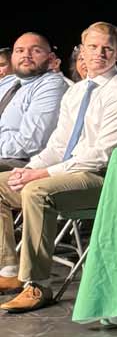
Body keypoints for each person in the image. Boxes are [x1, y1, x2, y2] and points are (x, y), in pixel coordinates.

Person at [0, 21, 117, 313]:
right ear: (82, 50)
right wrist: (28, 169)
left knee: (38, 191)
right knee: (4, 183)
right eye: (93, 46)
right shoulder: (77, 92)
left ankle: (38, 284)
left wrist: (41, 174)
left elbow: (102, 155)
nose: (99, 53)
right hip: (70, 173)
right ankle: (8, 271)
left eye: (108, 48)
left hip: (106, 179)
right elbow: (57, 145)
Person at [0, 34, 70, 279]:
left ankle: (5, 267)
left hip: (25, 161)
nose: (26, 55)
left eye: (35, 50)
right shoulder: (8, 83)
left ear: (50, 58)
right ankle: (6, 265)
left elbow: (30, 142)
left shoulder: (51, 85)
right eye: (20, 50)